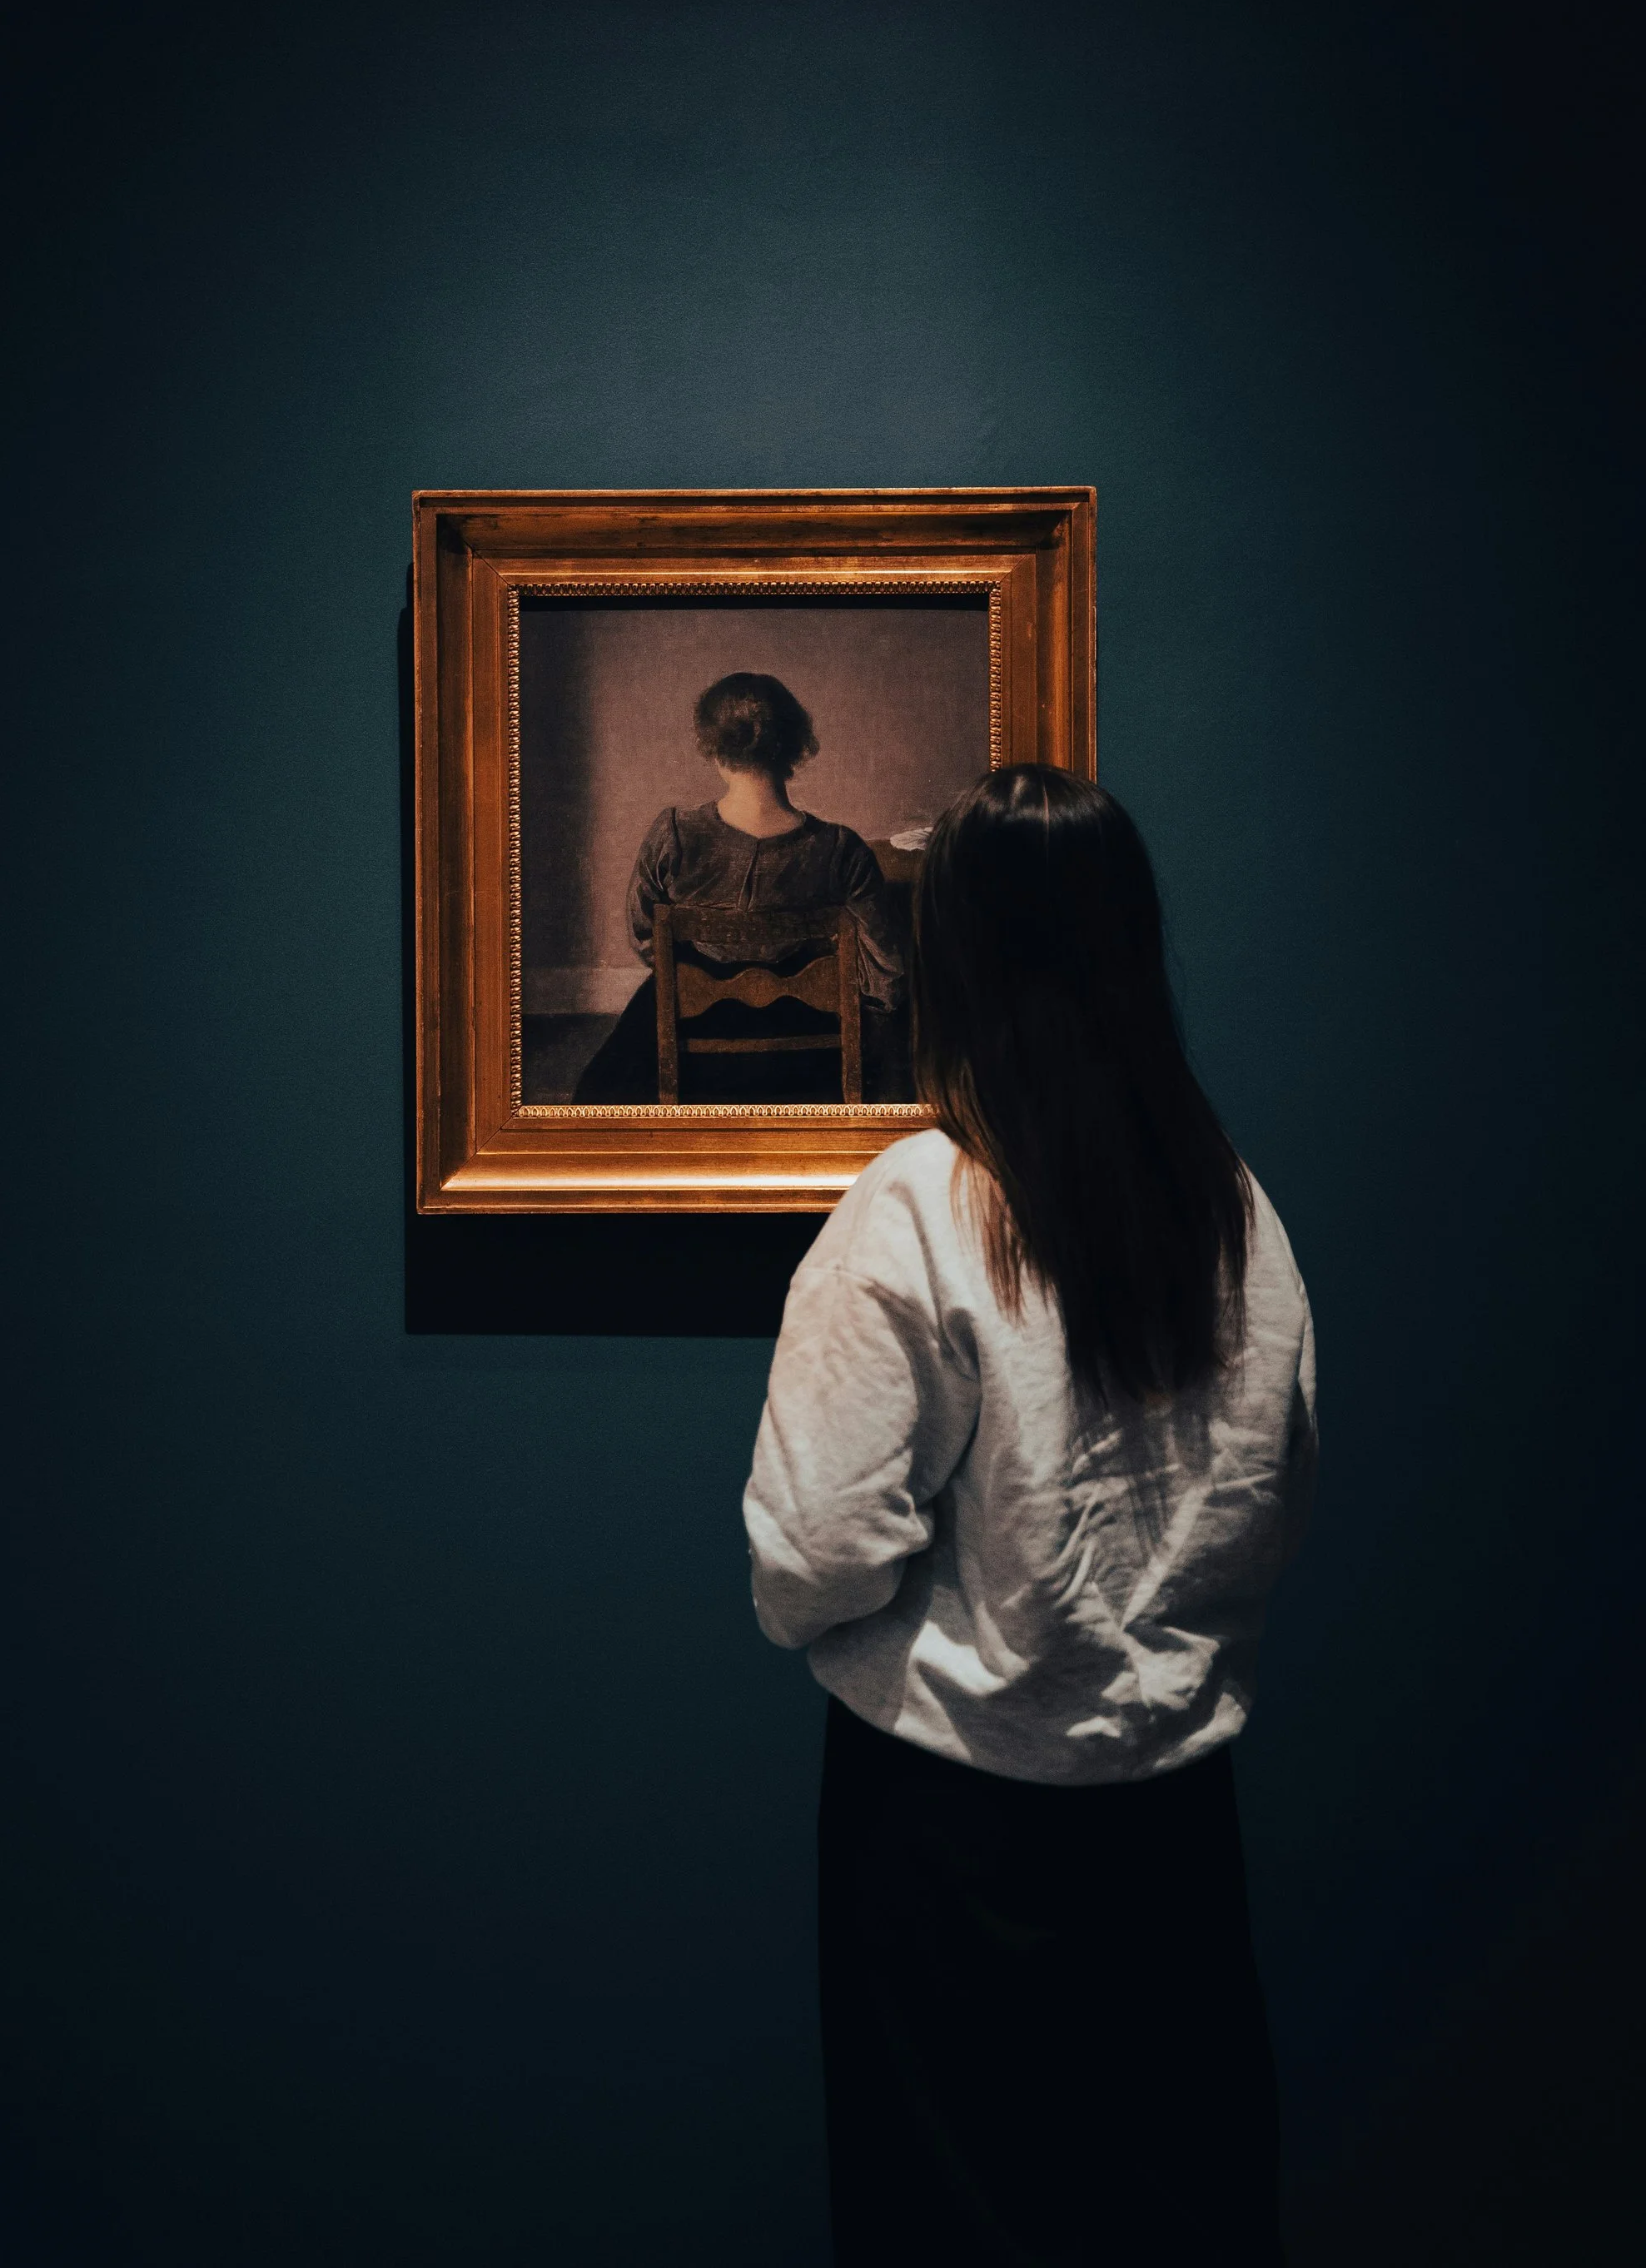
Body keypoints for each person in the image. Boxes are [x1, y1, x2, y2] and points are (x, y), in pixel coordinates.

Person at [744, 766, 1316, 2267]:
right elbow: (1271, 1489)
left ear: (953, 954)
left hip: (953, 1834)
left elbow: (808, 1553)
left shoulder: (916, 1208)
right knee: (1171, 2214)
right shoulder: (1231, 1203)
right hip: (1175, 1824)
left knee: (956, 2223)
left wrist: (920, 1620)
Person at [572, 671, 911, 1102]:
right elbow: (885, 967)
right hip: (802, 1049)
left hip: (692, 1038)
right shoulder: (842, 848)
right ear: (794, 746)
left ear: (713, 750)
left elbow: (645, 933)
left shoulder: (674, 833)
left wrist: (696, 979)